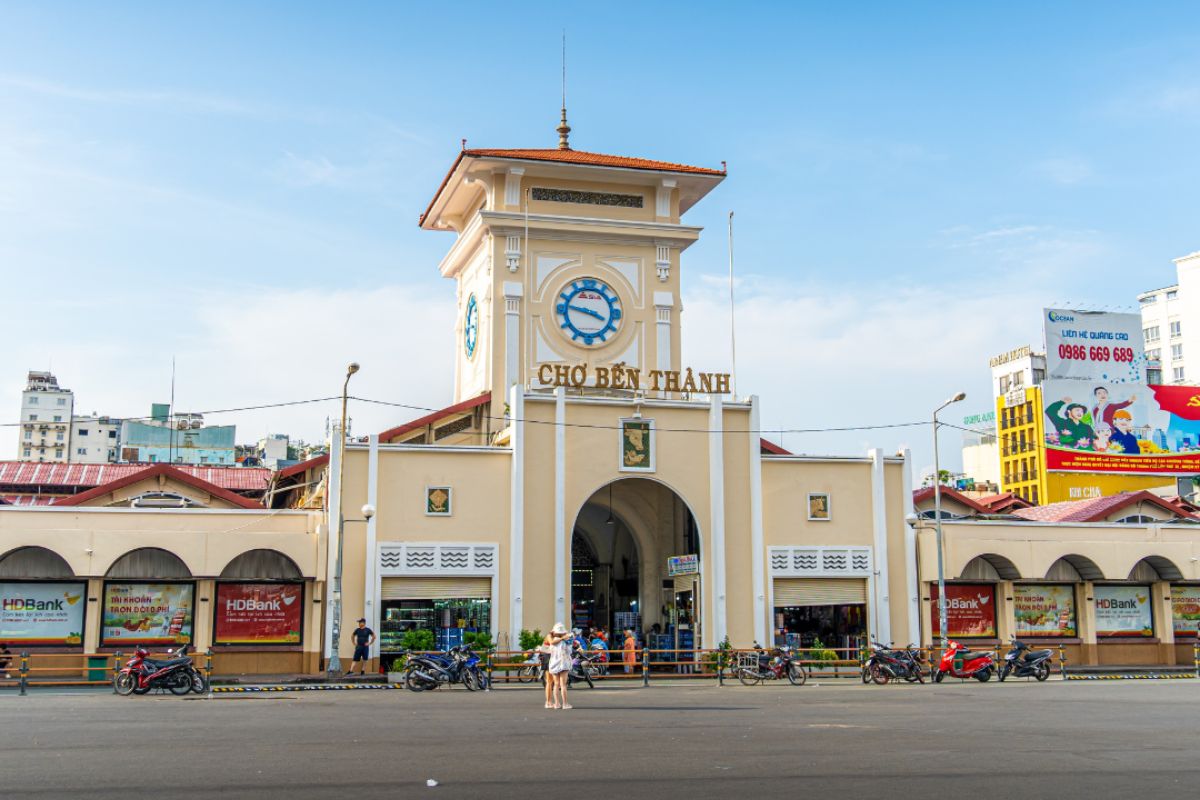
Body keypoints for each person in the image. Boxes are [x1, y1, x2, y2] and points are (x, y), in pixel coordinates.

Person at [543, 622, 574, 710]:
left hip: (553, 663)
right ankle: (565, 703)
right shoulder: (565, 642)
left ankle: (556, 703)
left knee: (556, 684)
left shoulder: (552, 640)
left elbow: (549, 648)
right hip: (563, 663)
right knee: (563, 685)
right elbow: (569, 652)